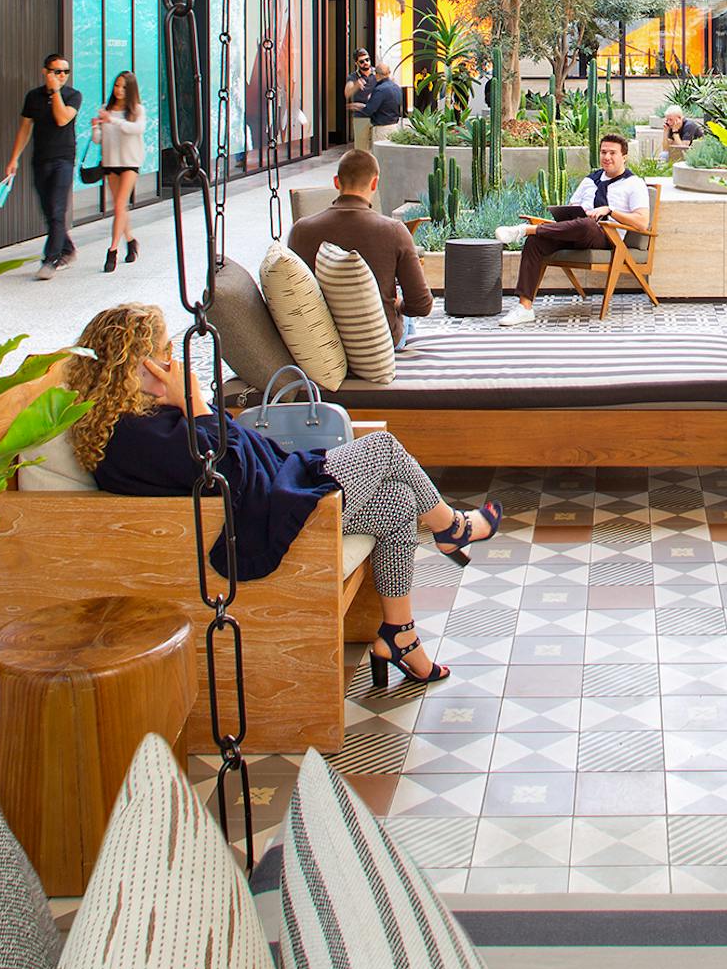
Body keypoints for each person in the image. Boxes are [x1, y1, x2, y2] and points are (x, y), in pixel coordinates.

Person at [66, 303, 501, 685]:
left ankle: (399, 636)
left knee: (398, 503)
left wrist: (189, 405)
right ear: (134, 367)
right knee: (384, 450)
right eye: (163, 355)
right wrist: (195, 404)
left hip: (277, 487)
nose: (172, 363)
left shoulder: (142, 418)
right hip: (268, 514)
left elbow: (223, 448)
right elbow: (227, 470)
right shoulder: (133, 439)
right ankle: (453, 529)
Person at [494, 131, 649, 324]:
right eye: (603, 152)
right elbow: (573, 209)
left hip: (607, 238)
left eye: (612, 153)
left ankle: (523, 230)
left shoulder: (633, 183)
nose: (607, 157)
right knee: (536, 242)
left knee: (586, 224)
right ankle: (525, 307)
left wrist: (610, 211)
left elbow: (642, 222)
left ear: (624, 156)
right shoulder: (590, 180)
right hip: (577, 232)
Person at [286, 145, 431, 347]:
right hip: (378, 342)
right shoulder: (394, 230)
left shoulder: (301, 230)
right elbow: (421, 305)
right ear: (374, 184)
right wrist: (397, 304)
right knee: (405, 315)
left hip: (323, 341)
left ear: (336, 182)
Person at [2, 53, 82, 279]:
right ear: (45, 72)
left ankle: (51, 259)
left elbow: (62, 119)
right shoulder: (33, 97)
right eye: (57, 72)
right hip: (40, 159)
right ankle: (67, 249)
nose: (62, 76)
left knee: (58, 210)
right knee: (49, 211)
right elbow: (25, 128)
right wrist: (14, 158)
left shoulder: (72, 95)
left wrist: (56, 91)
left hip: (64, 159)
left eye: (66, 72)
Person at [91, 70, 147, 273]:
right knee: (119, 207)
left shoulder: (137, 110)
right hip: (110, 163)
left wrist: (112, 120)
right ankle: (131, 241)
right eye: (116, 85)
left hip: (130, 162)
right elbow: (98, 140)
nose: (119, 90)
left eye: (124, 86)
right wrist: (95, 128)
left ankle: (112, 250)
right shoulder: (105, 109)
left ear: (130, 89)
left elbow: (135, 129)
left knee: (119, 205)